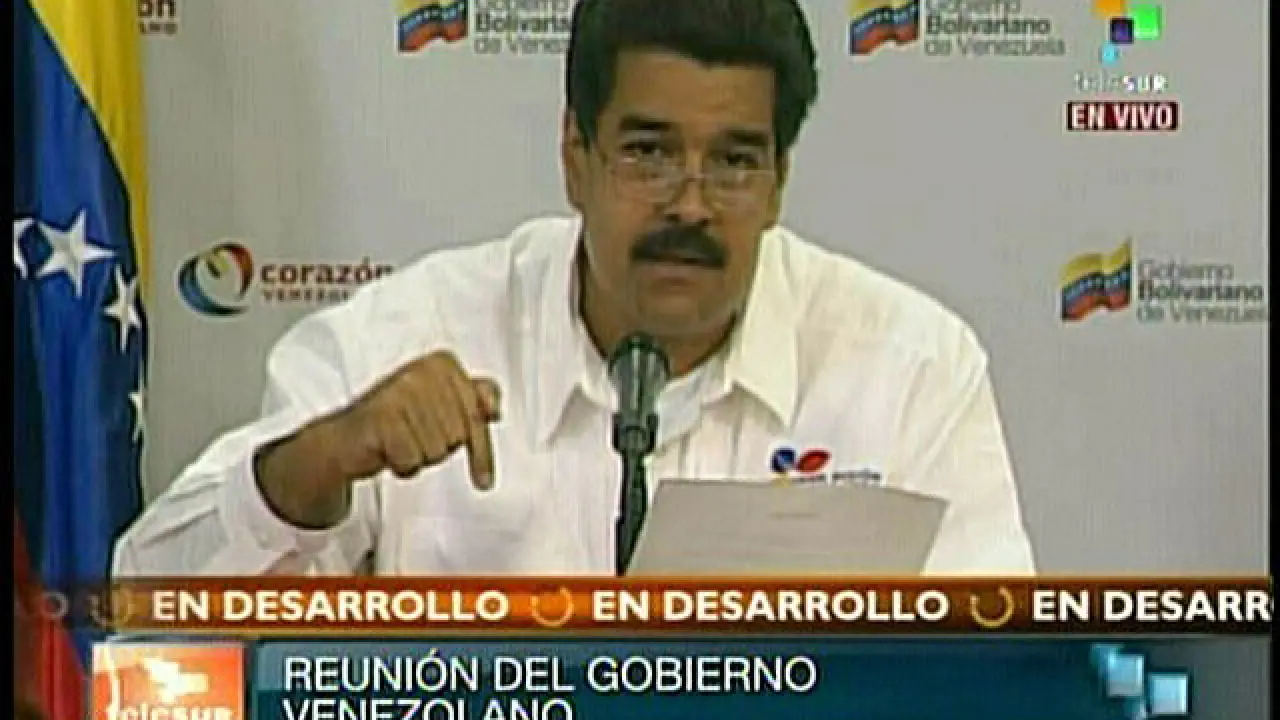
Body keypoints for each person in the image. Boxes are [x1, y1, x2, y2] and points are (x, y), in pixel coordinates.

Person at [114, 0, 1035, 577]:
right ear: (575, 157)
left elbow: (1001, 671)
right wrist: (318, 463)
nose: (690, 204)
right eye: (648, 152)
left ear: (779, 181)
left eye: (733, 162)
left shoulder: (908, 370)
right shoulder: (405, 337)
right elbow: (147, 604)